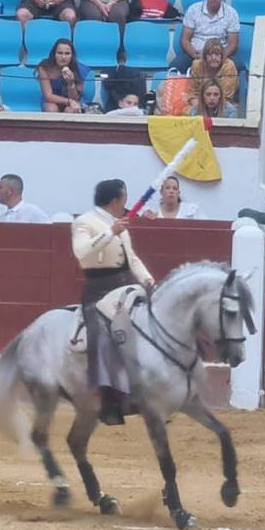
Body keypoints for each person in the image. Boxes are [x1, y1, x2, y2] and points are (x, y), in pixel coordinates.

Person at [71, 178, 155, 425]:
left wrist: (149, 280)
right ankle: (108, 402)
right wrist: (110, 233)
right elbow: (81, 252)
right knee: (102, 336)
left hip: (128, 286)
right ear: (114, 201)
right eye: (124, 199)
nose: (126, 204)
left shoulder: (119, 225)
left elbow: (132, 258)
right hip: (99, 288)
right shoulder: (84, 222)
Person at [172, 0, 240, 73]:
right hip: (196, 54)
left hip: (220, 56)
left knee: (240, 67)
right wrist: (194, 55)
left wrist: (219, 57)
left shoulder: (232, 13)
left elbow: (233, 44)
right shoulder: (193, 10)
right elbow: (185, 39)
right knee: (176, 65)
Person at [35, 38, 91, 113]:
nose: (63, 57)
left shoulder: (79, 69)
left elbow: (75, 98)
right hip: (52, 100)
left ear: (72, 55)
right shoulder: (45, 68)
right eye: (60, 53)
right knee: (51, 108)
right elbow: (48, 96)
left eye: (67, 53)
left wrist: (70, 83)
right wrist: (68, 101)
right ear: (54, 54)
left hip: (73, 100)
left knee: (70, 110)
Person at [188, 38, 238, 107]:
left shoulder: (229, 66)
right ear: (204, 57)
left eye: (217, 54)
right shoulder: (197, 65)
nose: (213, 58)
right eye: (210, 54)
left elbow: (227, 96)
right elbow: (193, 91)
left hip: (224, 103)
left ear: (222, 56)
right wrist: (194, 102)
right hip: (201, 103)